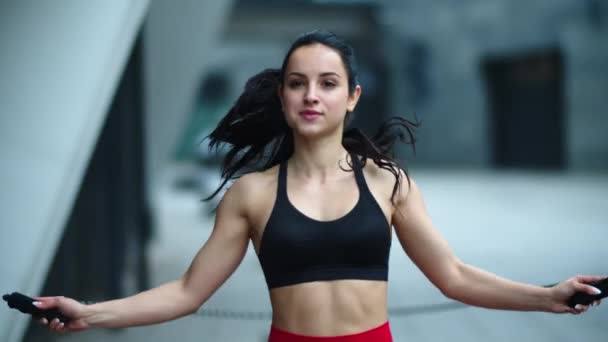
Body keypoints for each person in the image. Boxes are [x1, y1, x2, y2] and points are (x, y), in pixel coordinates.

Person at [34, 30, 603, 341]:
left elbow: (452, 276)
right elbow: (187, 292)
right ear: (281, 96)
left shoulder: (388, 184)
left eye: (328, 83)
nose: (312, 95)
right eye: (297, 83)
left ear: (351, 96)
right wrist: (89, 313)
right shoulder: (252, 194)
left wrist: (547, 297)